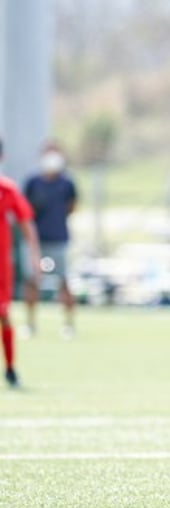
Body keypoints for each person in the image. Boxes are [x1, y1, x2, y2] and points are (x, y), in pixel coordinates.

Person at [22, 142, 77, 339]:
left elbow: (72, 207)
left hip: (59, 240)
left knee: (63, 281)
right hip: (36, 241)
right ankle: (30, 324)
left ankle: (69, 325)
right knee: (32, 281)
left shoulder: (67, 183)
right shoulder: (33, 182)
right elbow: (25, 210)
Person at [0, 137, 42, 388]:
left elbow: (26, 223)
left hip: (1, 266)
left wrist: (34, 256)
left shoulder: (8, 189)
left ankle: (11, 367)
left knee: (3, 313)